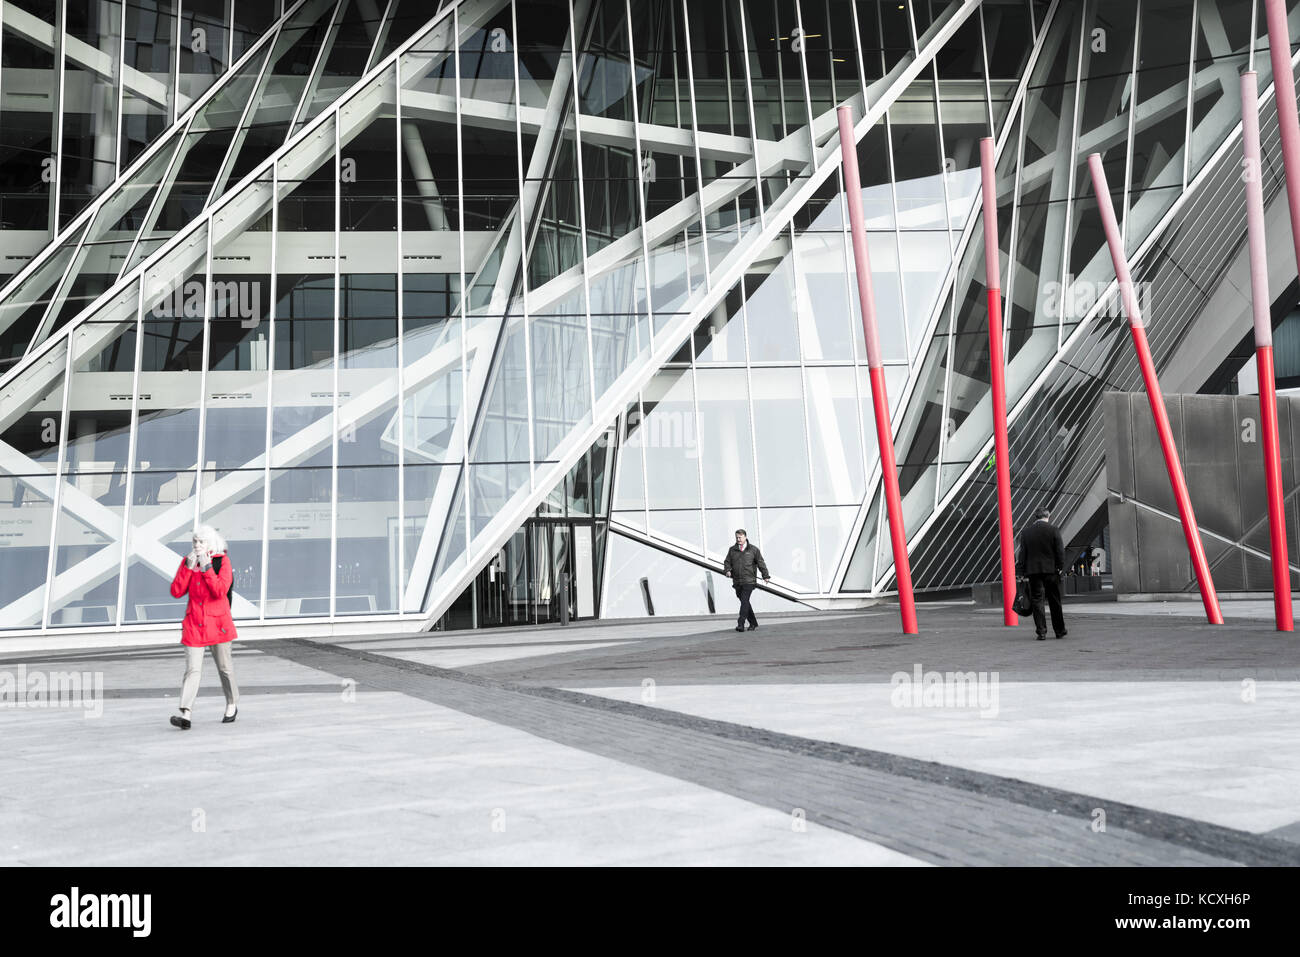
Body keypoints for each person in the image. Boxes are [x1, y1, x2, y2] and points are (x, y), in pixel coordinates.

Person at [168, 524, 239, 728]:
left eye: (201, 542)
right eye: (195, 541)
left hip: (218, 623)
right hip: (194, 624)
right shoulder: (187, 562)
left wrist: (207, 568)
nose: (197, 545)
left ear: (211, 543)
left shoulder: (221, 562)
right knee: (192, 670)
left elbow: (220, 591)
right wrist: (188, 569)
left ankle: (232, 703)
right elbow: (176, 591)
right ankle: (186, 714)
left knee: (225, 668)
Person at [1016, 507, 1067, 641]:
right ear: (1048, 516)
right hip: (1051, 571)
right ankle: (1059, 630)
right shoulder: (1053, 530)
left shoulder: (1026, 533)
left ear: (1036, 517)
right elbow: (1060, 551)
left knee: (1037, 600)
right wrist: (1060, 567)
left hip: (1033, 571)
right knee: (1054, 600)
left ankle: (1041, 632)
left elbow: (1022, 554)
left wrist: (1020, 571)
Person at [722, 529, 770, 632]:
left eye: (740, 537)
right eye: (737, 538)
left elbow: (761, 563)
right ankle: (753, 623)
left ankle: (741, 624)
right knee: (745, 602)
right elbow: (727, 562)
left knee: (744, 601)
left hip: (749, 581)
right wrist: (727, 570)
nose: (738, 539)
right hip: (737, 581)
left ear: (745, 537)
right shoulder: (732, 550)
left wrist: (765, 575)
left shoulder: (753, 550)